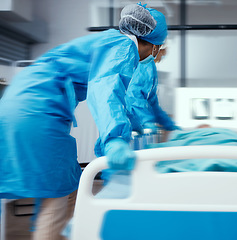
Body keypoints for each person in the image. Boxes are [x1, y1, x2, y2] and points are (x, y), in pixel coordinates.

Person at [0, 3, 167, 239]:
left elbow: (120, 96)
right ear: (150, 43)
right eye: (155, 50)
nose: (152, 57)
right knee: (59, 192)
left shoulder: (108, 40)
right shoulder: (123, 48)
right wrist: (115, 139)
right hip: (39, 111)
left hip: (14, 104)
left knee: (63, 182)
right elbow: (106, 89)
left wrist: (134, 126)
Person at [125, 42, 180, 133]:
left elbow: (153, 103)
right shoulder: (142, 66)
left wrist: (169, 125)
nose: (163, 56)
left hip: (138, 123)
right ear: (155, 49)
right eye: (163, 52)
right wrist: (146, 121)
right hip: (130, 121)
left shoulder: (151, 68)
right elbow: (133, 97)